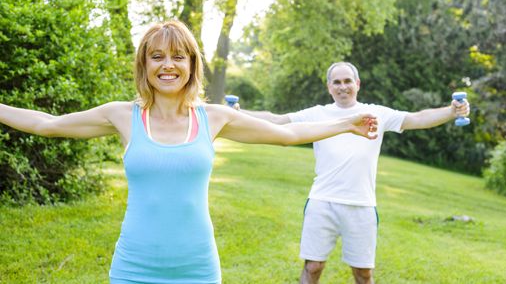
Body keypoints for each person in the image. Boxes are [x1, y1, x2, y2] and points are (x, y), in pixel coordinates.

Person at [0, 22, 379, 284]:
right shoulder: (121, 116)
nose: (168, 65)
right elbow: (46, 124)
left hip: (197, 267)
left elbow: (288, 133)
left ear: (192, 65)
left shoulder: (213, 118)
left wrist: (345, 124)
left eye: (179, 56)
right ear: (144, 65)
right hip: (133, 267)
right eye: (157, 57)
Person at [241, 61, 470, 284]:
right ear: (329, 87)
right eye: (337, 82)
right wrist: (237, 114)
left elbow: (417, 118)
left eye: (348, 81)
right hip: (322, 201)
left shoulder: (376, 113)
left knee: (363, 274)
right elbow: (276, 120)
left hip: (361, 204)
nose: (343, 87)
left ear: (357, 84)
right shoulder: (317, 114)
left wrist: (451, 111)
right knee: (312, 267)